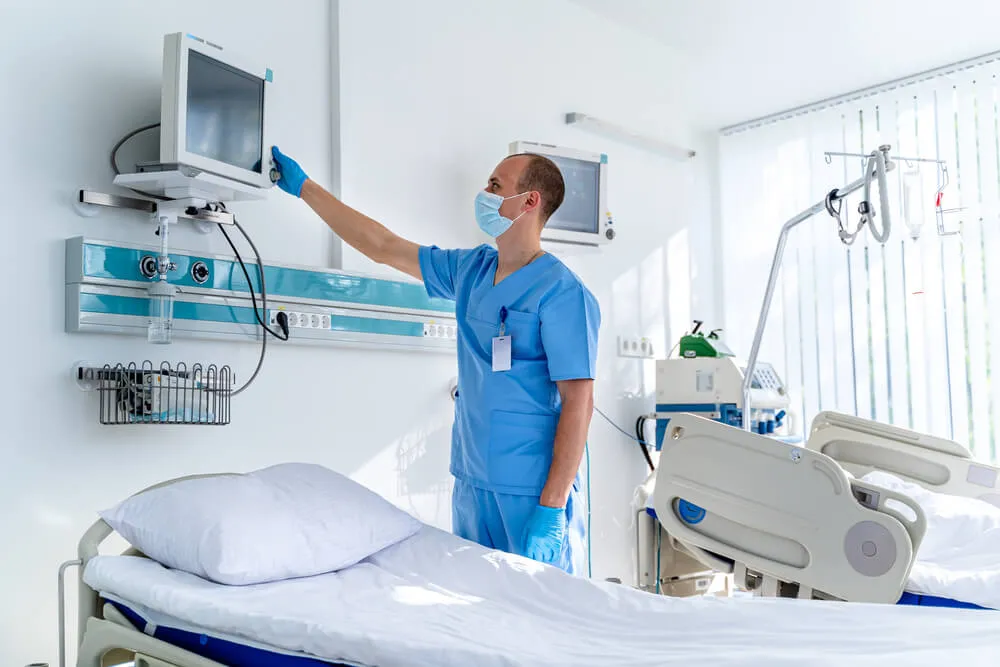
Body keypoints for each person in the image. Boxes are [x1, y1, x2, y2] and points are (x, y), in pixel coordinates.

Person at [270, 146, 600, 574]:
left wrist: (552, 508)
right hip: (472, 478)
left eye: (495, 186)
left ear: (529, 201)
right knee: (475, 610)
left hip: (530, 490)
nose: (484, 193)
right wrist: (305, 189)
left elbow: (580, 403)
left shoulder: (563, 293)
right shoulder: (472, 270)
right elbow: (382, 246)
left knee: (542, 623)